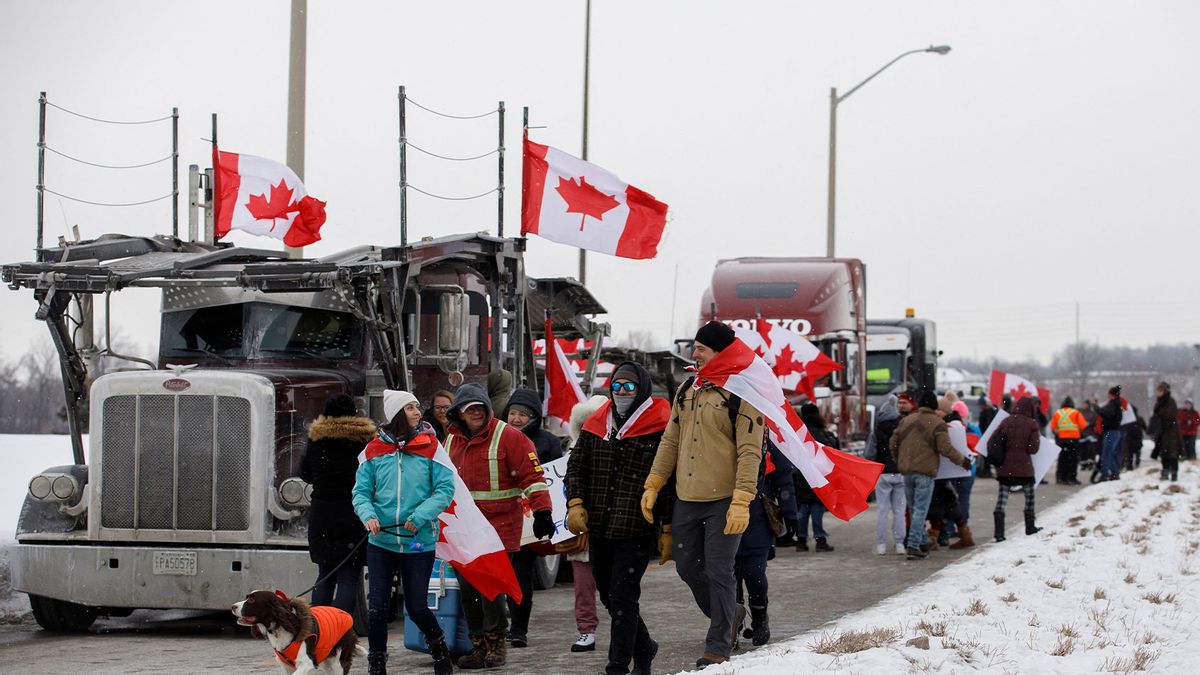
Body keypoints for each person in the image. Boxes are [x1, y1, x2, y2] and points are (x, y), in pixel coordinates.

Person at [643, 321, 764, 669]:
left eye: (701, 348)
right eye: (694, 347)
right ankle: (731, 614)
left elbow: (750, 451)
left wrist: (742, 498)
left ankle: (718, 643)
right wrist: (654, 482)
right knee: (686, 568)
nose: (694, 353)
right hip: (688, 497)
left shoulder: (743, 393)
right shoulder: (687, 389)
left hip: (725, 498)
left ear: (720, 353)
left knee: (719, 570)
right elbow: (670, 440)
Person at [566, 361, 675, 675]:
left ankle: (617, 666)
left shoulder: (660, 427)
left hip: (635, 527)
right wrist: (575, 502)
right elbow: (577, 467)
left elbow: (668, 481)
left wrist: (666, 527)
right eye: (617, 386)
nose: (622, 392)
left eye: (628, 386)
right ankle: (644, 647)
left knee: (624, 596)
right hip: (599, 524)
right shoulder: (596, 424)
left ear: (640, 388)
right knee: (608, 595)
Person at [445, 383, 555, 670]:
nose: (476, 413)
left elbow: (533, 477)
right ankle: (478, 645)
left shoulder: (510, 437)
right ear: (459, 413)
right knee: (468, 590)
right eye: (470, 409)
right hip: (464, 530)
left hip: (498, 527)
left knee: (491, 589)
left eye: (481, 408)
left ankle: (496, 645)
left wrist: (543, 510)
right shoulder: (450, 441)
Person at [352, 390, 457, 675]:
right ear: (397, 413)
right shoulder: (374, 450)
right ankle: (377, 662)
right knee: (377, 608)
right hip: (381, 541)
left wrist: (420, 516)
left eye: (417, 406)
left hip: (417, 541)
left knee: (417, 606)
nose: (417, 411)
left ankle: (439, 649)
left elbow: (445, 490)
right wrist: (369, 515)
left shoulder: (431, 447)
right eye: (410, 407)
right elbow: (360, 493)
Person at [300, 394, 376, 614]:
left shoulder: (317, 438)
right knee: (349, 574)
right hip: (354, 511)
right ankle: (341, 628)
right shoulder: (364, 440)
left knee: (325, 573)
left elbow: (305, 473)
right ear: (354, 413)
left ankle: (320, 627)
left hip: (322, 512)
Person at [501, 388, 564, 650]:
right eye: (513, 413)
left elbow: (555, 479)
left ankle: (518, 629)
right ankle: (494, 628)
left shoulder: (548, 441)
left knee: (520, 575)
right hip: (501, 517)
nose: (516, 419)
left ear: (534, 417)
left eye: (523, 414)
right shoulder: (496, 437)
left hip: (530, 521)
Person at [889, 390, 972, 560]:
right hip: (925, 471)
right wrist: (962, 460)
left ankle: (921, 540)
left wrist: (899, 460)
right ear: (934, 405)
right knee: (920, 509)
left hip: (907, 471)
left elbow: (893, 443)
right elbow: (945, 448)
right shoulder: (937, 423)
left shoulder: (906, 420)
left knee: (913, 509)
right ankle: (913, 545)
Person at [736, 439, 796, 647]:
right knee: (728, 575)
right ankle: (732, 621)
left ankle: (760, 618)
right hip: (724, 514)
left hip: (759, 518)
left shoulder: (766, 441)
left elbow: (783, 478)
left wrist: (790, 513)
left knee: (754, 573)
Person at [987, 396, 1042, 541]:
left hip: (1005, 469)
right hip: (1025, 469)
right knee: (1029, 498)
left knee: (1002, 501)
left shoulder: (1006, 421)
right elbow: (1033, 449)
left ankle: (999, 533)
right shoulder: (1032, 424)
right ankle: (1030, 527)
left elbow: (993, 442)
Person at [794, 404, 837, 552]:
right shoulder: (820, 432)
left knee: (803, 509)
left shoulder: (798, 431)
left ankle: (801, 540)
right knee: (817, 508)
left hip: (801, 474)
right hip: (817, 474)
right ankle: (820, 540)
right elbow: (830, 450)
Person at [870, 393, 908, 555]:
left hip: (883, 473)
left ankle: (881, 544)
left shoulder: (877, 429)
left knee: (882, 510)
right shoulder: (903, 427)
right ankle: (900, 544)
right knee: (899, 510)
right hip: (900, 471)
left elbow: (869, 452)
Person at [1050, 397, 1087, 485]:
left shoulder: (1057, 413)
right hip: (1074, 439)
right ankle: (1072, 478)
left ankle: (1061, 478)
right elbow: (1083, 425)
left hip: (1061, 440)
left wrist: (1059, 434)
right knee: (1073, 459)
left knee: (1062, 459)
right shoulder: (1076, 412)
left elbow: (1053, 427)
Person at [1151, 382, 1182, 482]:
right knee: (1163, 453)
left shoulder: (1170, 401)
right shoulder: (1159, 402)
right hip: (1162, 431)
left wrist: (1160, 413)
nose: (1158, 393)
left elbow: (1170, 414)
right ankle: (1165, 472)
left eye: (1159, 391)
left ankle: (1174, 473)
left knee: (1172, 454)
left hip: (1171, 432)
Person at [1096, 386, 1125, 481]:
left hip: (1110, 431)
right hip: (1115, 431)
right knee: (1111, 453)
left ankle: (1105, 474)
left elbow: (1105, 412)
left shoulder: (1113, 404)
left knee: (1106, 453)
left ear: (1111, 394)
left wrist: (1096, 408)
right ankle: (1114, 472)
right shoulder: (1118, 403)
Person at [1078, 399, 1100, 474]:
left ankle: (1090, 464)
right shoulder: (1080, 412)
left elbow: (1095, 422)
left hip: (1090, 434)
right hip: (1081, 435)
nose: (1083, 405)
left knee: (1090, 450)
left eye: (1085, 404)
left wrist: (1089, 424)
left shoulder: (1092, 413)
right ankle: (1083, 464)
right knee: (1082, 450)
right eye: (1083, 404)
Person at [1123, 405, 1147, 470]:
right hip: (1138, 438)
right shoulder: (1140, 419)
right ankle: (1137, 461)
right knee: (1138, 451)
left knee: (1130, 452)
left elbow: (1123, 428)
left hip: (1129, 438)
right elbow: (1145, 427)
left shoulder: (1127, 420)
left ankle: (1130, 465)